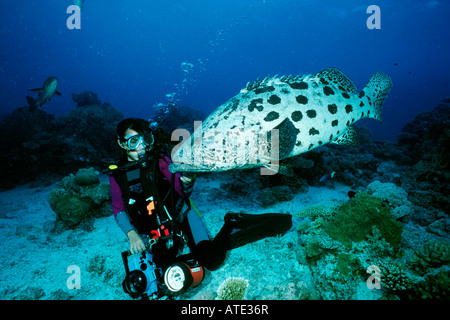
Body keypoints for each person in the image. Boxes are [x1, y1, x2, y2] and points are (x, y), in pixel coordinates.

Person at [109, 118, 292, 283]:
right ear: (121, 143)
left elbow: (183, 192)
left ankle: (233, 221)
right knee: (163, 269)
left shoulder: (161, 161)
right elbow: (118, 208)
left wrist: (187, 183)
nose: (141, 146)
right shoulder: (117, 175)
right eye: (134, 141)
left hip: (183, 214)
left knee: (212, 260)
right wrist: (131, 234)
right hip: (156, 229)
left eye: (145, 140)